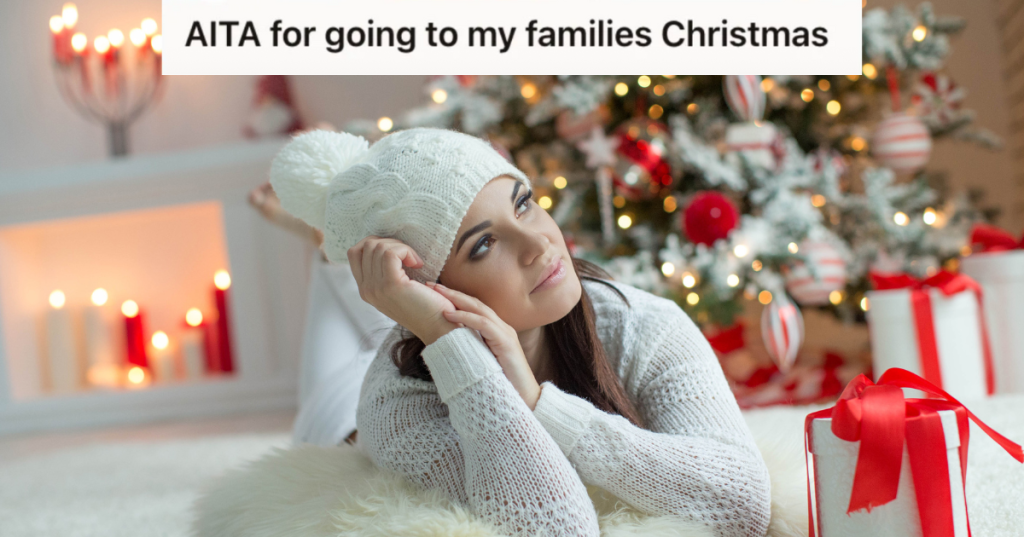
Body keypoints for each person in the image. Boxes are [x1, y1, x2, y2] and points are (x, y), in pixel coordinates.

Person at [268, 127, 772, 537]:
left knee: (347, 296)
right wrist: (449, 341)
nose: (538, 243)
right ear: (433, 294)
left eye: (524, 203)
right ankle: (335, 263)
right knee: (335, 305)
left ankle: (334, 257)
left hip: (426, 328)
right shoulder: (395, 408)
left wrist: (537, 402)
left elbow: (744, 502)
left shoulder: (642, 325)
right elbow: (557, 530)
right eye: (484, 245)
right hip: (335, 418)